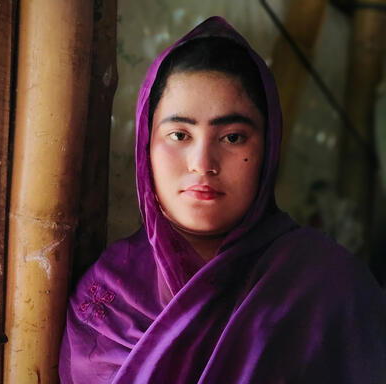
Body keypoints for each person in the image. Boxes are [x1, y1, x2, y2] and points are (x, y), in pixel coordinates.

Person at [59, 16, 386, 383]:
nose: (202, 164)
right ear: (145, 147)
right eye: (180, 135)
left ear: (269, 148)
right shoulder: (107, 300)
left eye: (232, 138)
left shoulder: (329, 288)